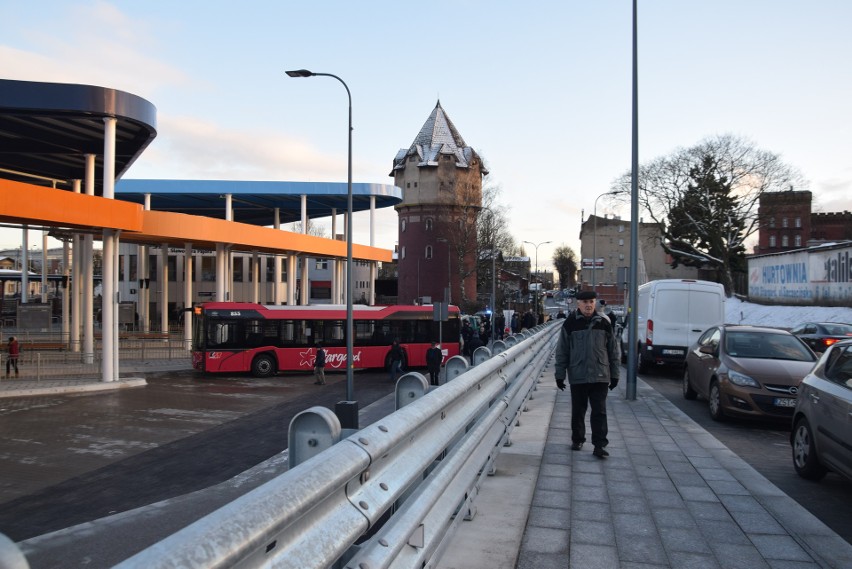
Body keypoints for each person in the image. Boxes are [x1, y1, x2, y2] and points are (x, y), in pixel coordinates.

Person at [554, 290, 620, 459]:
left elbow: (613, 350)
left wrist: (615, 374)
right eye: (585, 302)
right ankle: (578, 439)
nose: (588, 305)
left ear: (595, 302)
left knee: (599, 411)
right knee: (578, 411)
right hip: (578, 374)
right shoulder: (569, 324)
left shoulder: (604, 323)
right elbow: (562, 351)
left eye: (591, 301)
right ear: (578, 304)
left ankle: (599, 445)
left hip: (600, 374)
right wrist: (559, 374)